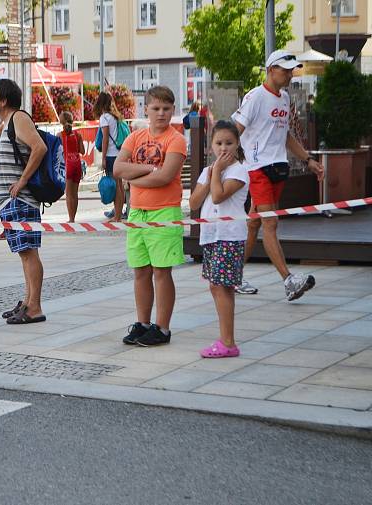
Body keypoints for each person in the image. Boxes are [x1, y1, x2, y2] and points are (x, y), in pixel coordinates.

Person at [231, 50, 324, 300]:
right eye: (285, 70)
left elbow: (286, 136)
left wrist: (308, 160)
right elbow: (234, 131)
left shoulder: (284, 98)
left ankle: (233, 276)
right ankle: (289, 280)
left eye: (292, 70)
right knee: (270, 223)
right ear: (271, 70)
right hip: (258, 169)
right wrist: (227, 162)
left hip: (278, 168)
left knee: (254, 223)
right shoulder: (255, 97)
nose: (290, 75)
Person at [114, 86, 187, 347]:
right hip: (137, 212)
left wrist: (137, 177)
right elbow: (118, 168)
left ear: (173, 110)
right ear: (146, 109)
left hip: (164, 210)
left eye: (166, 109)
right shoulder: (135, 137)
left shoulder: (176, 139)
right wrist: (148, 168)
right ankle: (142, 322)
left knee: (161, 271)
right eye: (156, 108)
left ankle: (162, 327)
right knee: (140, 270)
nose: (161, 114)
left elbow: (166, 176)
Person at [189, 121, 249, 359]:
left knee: (221, 286)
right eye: (219, 143)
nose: (224, 148)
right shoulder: (208, 171)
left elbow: (218, 196)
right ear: (211, 145)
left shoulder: (238, 171)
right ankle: (226, 339)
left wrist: (215, 174)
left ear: (237, 144)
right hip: (211, 235)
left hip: (230, 235)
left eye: (229, 143)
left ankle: (228, 341)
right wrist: (212, 173)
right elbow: (194, 203)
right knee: (217, 286)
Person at [0, 78, 47, 324]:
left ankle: (34, 306)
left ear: (3, 100)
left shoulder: (18, 118)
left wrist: (22, 181)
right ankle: (27, 301)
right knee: (25, 254)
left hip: (21, 199)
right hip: (12, 201)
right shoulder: (9, 122)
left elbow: (39, 147)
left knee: (29, 253)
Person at [95, 92, 127, 222]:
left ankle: (117, 216)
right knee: (119, 185)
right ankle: (118, 214)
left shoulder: (104, 118)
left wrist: (103, 158)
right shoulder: (115, 116)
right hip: (119, 154)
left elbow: (105, 139)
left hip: (111, 156)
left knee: (116, 187)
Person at [59, 111, 84, 223]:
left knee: (68, 194)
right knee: (75, 193)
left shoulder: (60, 135)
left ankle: (71, 219)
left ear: (62, 121)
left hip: (67, 164)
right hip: (77, 164)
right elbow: (82, 151)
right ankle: (74, 217)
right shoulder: (78, 135)